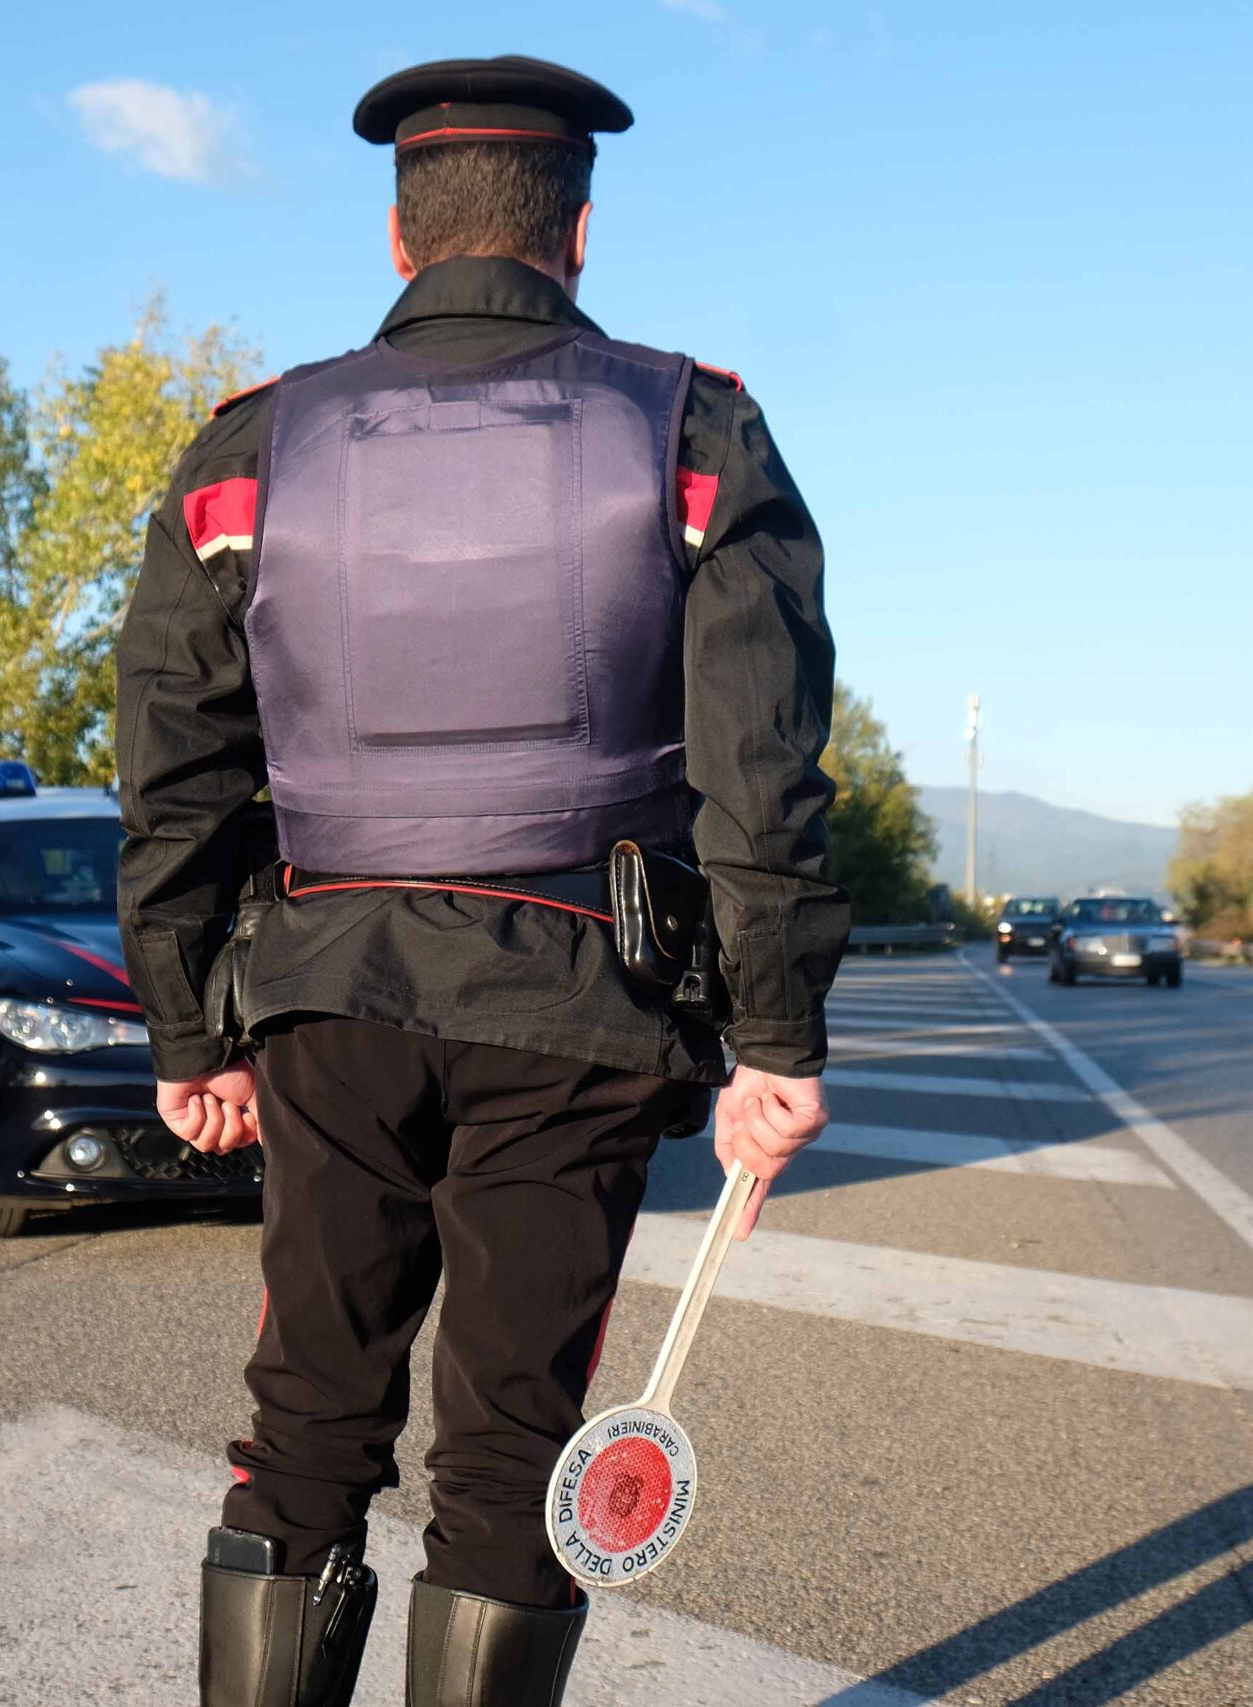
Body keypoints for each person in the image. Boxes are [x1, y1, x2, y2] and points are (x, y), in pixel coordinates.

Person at [115, 56, 845, 1707]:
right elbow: (763, 766)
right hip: (577, 1006)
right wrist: (776, 1036)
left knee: (305, 1425)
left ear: (397, 240)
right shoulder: (693, 431)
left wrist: (186, 1031)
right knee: (514, 1455)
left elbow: (173, 766)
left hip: (324, 999)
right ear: (578, 233)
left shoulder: (247, 451)